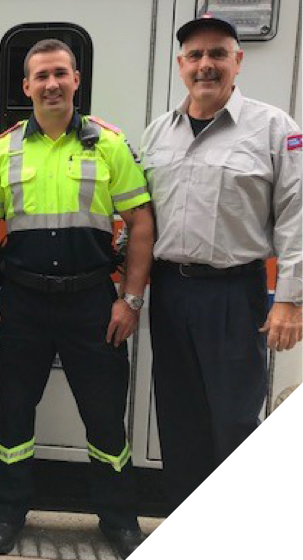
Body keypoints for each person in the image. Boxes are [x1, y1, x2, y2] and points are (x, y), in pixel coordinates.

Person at [0, 39, 154, 559]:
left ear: (76, 79)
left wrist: (131, 300)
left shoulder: (108, 145)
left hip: (93, 304)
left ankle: (118, 521)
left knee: (103, 418)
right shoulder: (4, 149)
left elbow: (141, 222)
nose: (51, 84)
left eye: (60, 74)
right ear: (25, 86)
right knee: (12, 416)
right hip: (23, 303)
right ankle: (6, 516)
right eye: (40, 76)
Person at [140, 15, 302, 510]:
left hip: (236, 294)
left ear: (238, 60)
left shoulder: (275, 128)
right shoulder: (156, 134)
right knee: (178, 418)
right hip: (170, 292)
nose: (205, 65)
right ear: (180, 65)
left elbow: (296, 215)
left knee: (234, 420)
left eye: (217, 54)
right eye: (195, 56)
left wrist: (291, 301)